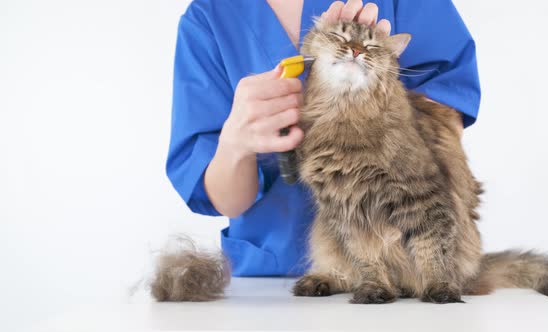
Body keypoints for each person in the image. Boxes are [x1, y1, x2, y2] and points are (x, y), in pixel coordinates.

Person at [166, 0, 481, 276]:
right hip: (269, 282)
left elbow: (446, 116)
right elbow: (225, 199)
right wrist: (236, 145)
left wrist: (370, 123)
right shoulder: (207, 18)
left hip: (398, 268)